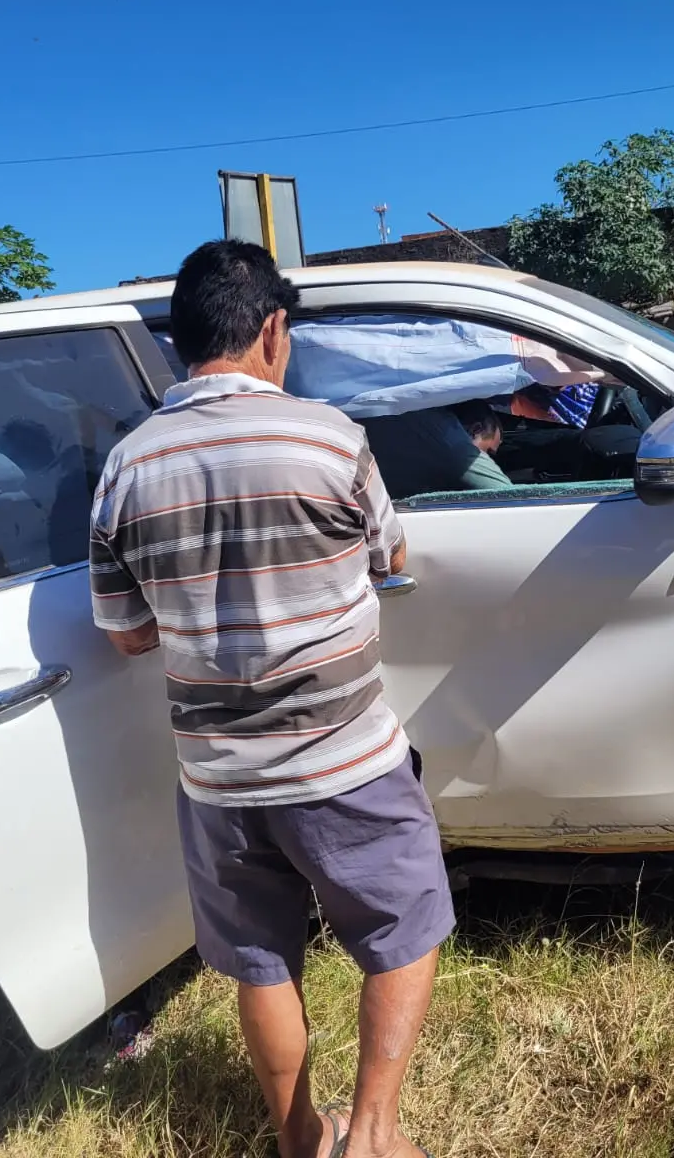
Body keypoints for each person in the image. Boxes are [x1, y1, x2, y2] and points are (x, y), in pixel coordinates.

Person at [89, 240, 453, 1158]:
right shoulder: (330, 438)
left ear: (181, 341)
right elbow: (391, 555)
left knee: (261, 960)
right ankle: (373, 1137)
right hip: (345, 760)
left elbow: (125, 632)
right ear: (273, 331)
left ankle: (298, 1141)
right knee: (403, 926)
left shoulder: (127, 468)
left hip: (218, 778)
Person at [363, 399, 513, 499]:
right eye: (488, 452)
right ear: (475, 430)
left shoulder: (419, 415)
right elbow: (511, 497)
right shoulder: (451, 443)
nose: (488, 460)